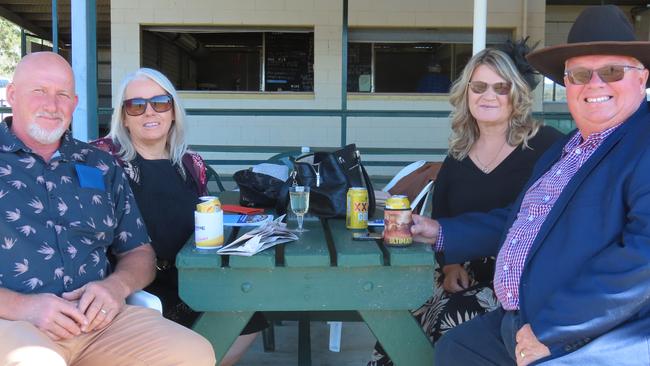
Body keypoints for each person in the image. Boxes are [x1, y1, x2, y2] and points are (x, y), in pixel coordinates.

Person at [411, 5, 650, 365]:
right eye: (580, 74)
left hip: (593, 334)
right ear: (567, 84)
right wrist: (438, 231)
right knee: (457, 347)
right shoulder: (565, 149)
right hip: (522, 319)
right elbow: (518, 221)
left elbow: (644, 255)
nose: (595, 84)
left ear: (642, 78)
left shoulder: (642, 143)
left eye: (613, 71)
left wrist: (553, 327)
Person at [0, 52, 215, 365]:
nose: (52, 104)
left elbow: (140, 253)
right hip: (13, 322)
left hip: (100, 323)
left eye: (62, 95)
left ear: (74, 103)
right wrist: (25, 307)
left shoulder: (99, 165)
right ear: (12, 95)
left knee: (193, 353)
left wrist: (115, 287)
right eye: (39, 91)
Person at [369, 46, 563, 366]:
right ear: (467, 92)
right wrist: (449, 264)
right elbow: (444, 214)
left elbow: (533, 223)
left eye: (501, 87)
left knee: (453, 319)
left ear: (518, 94)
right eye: (479, 86)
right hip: (462, 271)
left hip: (521, 280)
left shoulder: (547, 146)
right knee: (399, 312)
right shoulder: (459, 152)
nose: (489, 96)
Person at [91, 67, 267, 366]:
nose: (150, 112)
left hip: (191, 270)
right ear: (123, 116)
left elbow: (200, 217)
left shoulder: (190, 162)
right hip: (139, 283)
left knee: (252, 308)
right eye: (137, 105)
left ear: (173, 110)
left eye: (160, 102)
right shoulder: (104, 161)